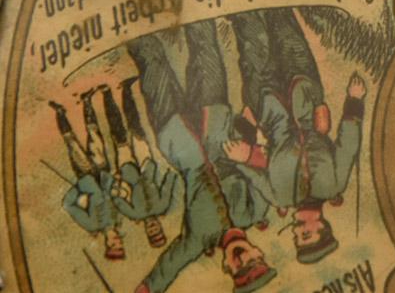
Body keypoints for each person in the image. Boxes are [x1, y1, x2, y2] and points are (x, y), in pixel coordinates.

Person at [128, 20, 276, 293]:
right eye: (253, 262)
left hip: (176, 136)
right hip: (216, 119)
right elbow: (267, 171)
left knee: (150, 61)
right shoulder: (255, 211)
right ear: (259, 252)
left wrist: (146, 290)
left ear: (227, 269)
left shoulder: (198, 239)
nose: (243, 259)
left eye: (240, 270)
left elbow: (169, 265)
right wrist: (249, 151)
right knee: (205, 43)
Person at [225, 7, 366, 265]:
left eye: (296, 238)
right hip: (305, 92)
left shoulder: (277, 197)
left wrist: (244, 146)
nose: (296, 232)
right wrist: (355, 101)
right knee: (284, 26)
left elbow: (249, 167)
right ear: (322, 226)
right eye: (306, 235)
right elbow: (348, 145)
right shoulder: (334, 185)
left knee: (251, 38)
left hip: (266, 105)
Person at [50, 91, 125, 261]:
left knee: (72, 143)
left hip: (85, 176)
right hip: (103, 173)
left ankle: (60, 113)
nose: (118, 241)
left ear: (108, 244)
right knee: (95, 136)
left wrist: (80, 190)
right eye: (120, 244)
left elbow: (68, 204)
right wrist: (115, 183)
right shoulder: (118, 220)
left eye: (115, 245)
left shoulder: (92, 225)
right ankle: (87, 101)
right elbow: (114, 195)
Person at [103, 80, 176, 249]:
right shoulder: (162, 205)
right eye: (157, 229)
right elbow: (169, 181)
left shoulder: (133, 214)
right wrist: (170, 169)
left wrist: (117, 184)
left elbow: (116, 198)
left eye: (151, 231)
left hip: (127, 170)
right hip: (146, 165)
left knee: (119, 135)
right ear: (161, 226)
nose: (153, 227)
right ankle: (126, 89)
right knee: (135, 127)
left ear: (146, 231)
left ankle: (106, 94)